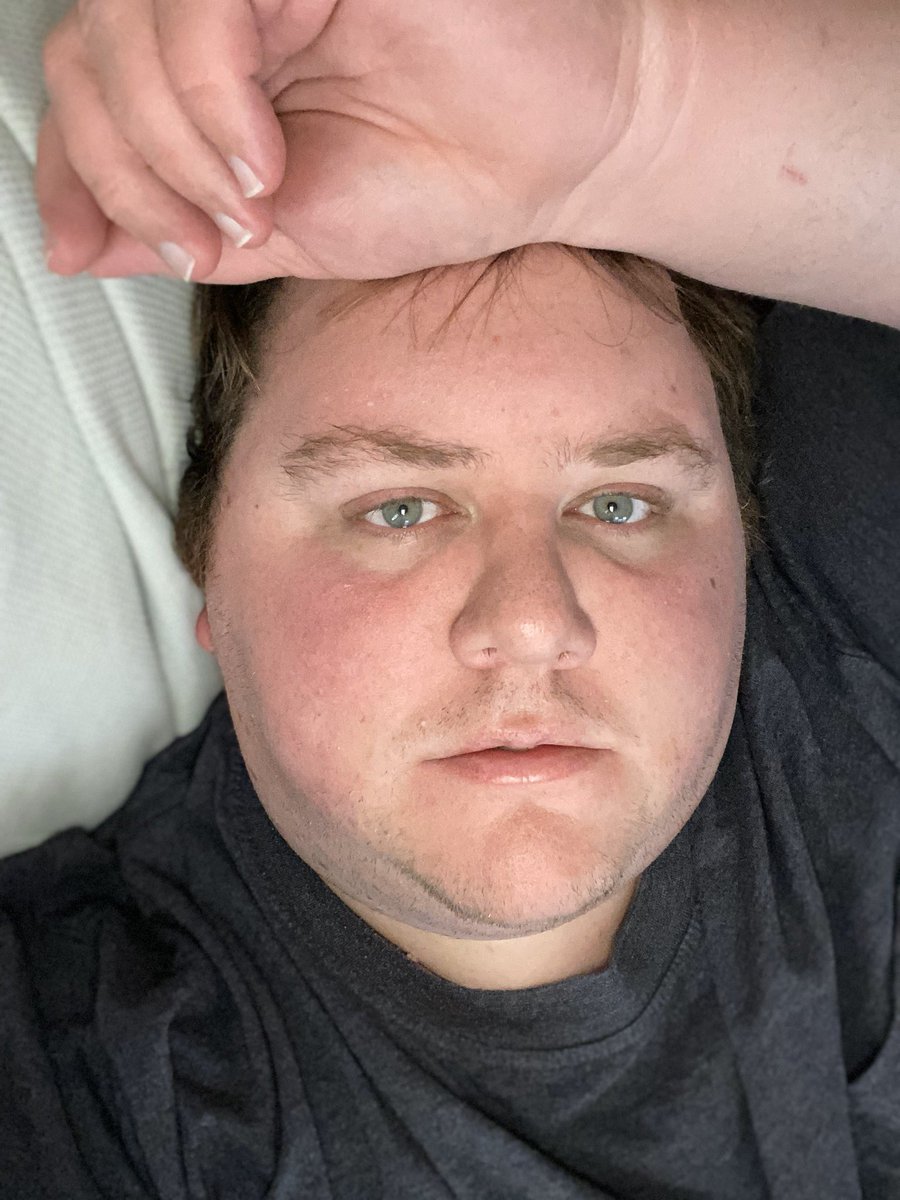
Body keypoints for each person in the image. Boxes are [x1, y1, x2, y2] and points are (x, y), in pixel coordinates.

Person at [2, 1, 899, 1198]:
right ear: (208, 562)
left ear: (744, 538)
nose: (532, 623)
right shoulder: (84, 1071)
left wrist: (639, 103)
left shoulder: (847, 635)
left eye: (620, 502)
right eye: (400, 510)